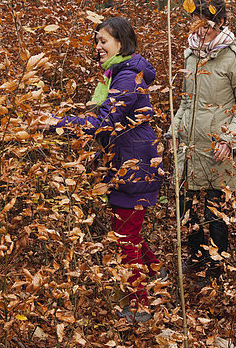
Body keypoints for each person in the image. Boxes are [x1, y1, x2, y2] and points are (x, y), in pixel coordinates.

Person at [40, 17, 163, 322]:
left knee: (125, 237)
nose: (97, 47)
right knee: (127, 231)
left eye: (103, 41)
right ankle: (156, 273)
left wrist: (58, 123)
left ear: (121, 42)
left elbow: (105, 121)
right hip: (126, 161)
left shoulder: (127, 75)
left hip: (133, 165)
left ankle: (140, 306)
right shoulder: (116, 73)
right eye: (96, 41)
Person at [167, 0, 236, 279]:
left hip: (220, 148)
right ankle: (196, 258)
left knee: (216, 210)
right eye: (196, 26)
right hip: (190, 145)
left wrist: (229, 138)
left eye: (206, 27)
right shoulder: (190, 55)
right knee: (186, 207)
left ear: (220, 24)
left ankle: (220, 267)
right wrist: (173, 132)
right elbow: (184, 101)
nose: (200, 32)